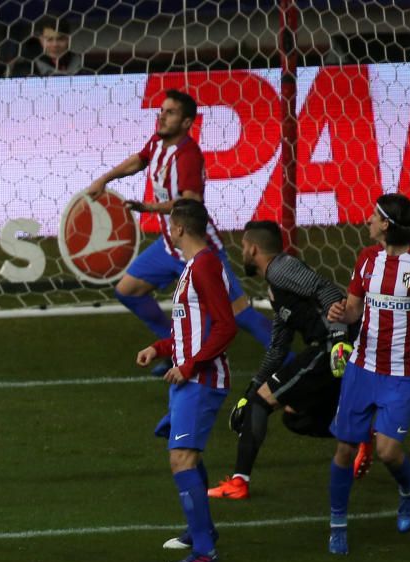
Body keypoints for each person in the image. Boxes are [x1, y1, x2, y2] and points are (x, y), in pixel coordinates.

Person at [87, 90, 272, 376]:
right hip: (169, 245)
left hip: (199, 247)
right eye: (161, 110)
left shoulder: (187, 156)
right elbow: (139, 159)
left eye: (170, 112)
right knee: (128, 291)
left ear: (186, 122)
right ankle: (177, 349)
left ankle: (291, 364)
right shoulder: (159, 142)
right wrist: (104, 178)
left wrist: (150, 207)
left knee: (241, 314)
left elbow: (191, 202)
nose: (161, 115)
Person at [325, 193, 410, 555]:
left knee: (387, 451)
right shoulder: (367, 260)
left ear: (386, 224)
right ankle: (338, 526)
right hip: (361, 368)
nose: (367, 221)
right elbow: (354, 310)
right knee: (344, 449)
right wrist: (342, 313)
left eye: (373, 216)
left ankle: (408, 491)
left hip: (402, 373)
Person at [207, 221, 359, 500]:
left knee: (263, 403)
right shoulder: (276, 289)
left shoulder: (281, 268)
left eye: (243, 247)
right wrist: (250, 390)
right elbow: (278, 347)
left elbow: (327, 290)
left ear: (253, 249)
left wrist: (339, 340)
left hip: (330, 350)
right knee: (294, 417)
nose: (242, 253)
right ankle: (360, 434)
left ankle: (239, 482)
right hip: (325, 350)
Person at [135, 199, 237, 562]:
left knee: (182, 459)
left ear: (178, 229)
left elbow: (226, 326)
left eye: (170, 227)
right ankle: (200, 530)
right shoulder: (194, 266)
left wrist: (190, 365)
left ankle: (205, 551)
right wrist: (158, 348)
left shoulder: (206, 265)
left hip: (202, 378)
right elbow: (187, 331)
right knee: (185, 455)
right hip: (189, 376)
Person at [9, 16, 84, 77]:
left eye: (60, 39)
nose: (55, 44)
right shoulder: (25, 66)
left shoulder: (80, 62)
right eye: (49, 39)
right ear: (41, 39)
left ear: (68, 38)